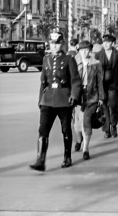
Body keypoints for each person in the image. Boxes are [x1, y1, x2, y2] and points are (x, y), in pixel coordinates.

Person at [30, 31, 81, 171]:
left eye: (57, 43)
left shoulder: (69, 60)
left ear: (62, 44)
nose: (54, 46)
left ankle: (67, 157)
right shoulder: (46, 59)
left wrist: (74, 95)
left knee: (65, 130)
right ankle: (40, 160)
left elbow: (76, 80)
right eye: (52, 43)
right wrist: (40, 100)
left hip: (64, 99)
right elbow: (43, 82)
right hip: (47, 99)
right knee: (42, 130)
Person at [73, 40, 105, 160]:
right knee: (77, 124)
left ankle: (86, 149)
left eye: (87, 49)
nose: (84, 52)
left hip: (92, 96)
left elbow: (100, 82)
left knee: (86, 121)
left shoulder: (96, 64)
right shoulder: (75, 63)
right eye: (82, 50)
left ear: (90, 50)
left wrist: (101, 98)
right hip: (78, 96)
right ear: (79, 51)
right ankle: (79, 138)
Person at [96, 34, 118, 138]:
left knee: (113, 106)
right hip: (102, 85)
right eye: (104, 42)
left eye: (108, 42)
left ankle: (113, 125)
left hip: (114, 84)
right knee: (104, 106)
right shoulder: (98, 55)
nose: (105, 44)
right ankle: (106, 129)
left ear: (112, 43)